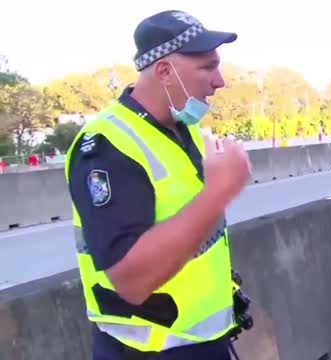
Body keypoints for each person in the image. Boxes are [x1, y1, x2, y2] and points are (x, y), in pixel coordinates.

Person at [64, 10, 252, 360]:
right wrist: (218, 193)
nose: (220, 81)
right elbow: (131, 280)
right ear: (165, 72)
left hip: (204, 341)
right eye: (208, 67)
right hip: (150, 350)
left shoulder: (186, 131)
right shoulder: (108, 145)